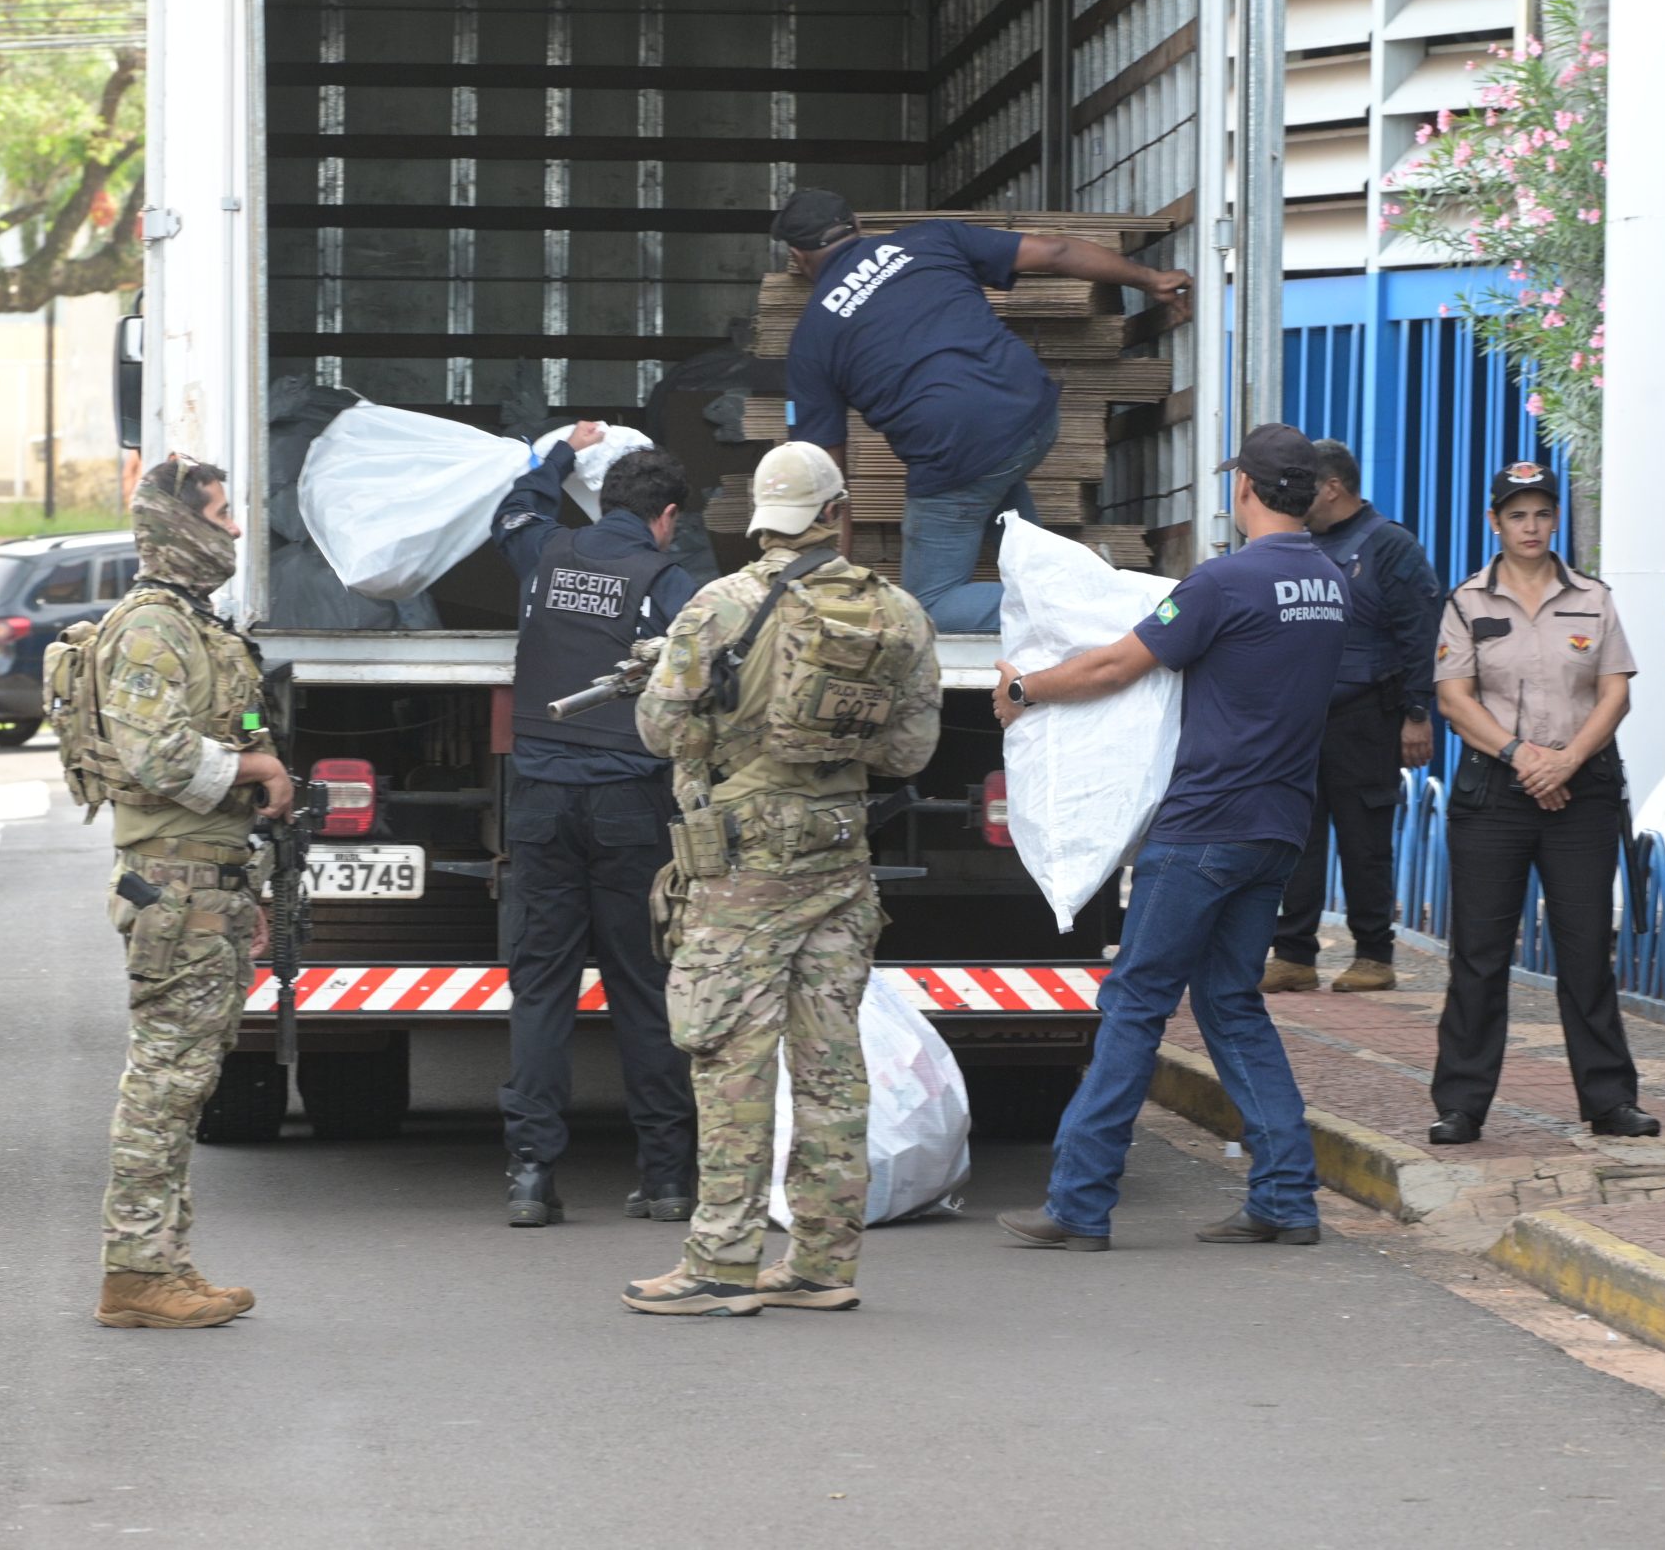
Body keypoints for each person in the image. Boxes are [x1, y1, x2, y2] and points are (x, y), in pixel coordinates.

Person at [993, 423, 1347, 1251]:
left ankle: (1079, 1202)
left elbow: (1118, 665)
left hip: (1205, 827)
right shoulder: (1331, 583)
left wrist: (1026, 686)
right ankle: (1287, 1197)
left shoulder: (1225, 581)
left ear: (1248, 490)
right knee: (1230, 1002)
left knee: (1134, 1002)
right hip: (1277, 826)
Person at [623, 441, 939, 1314]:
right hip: (840, 863)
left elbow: (659, 729)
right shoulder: (899, 614)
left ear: (761, 517)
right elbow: (912, 751)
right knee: (833, 1067)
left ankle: (721, 1259)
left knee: (732, 1063)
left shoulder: (716, 607)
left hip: (742, 875)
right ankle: (822, 1263)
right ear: (837, 513)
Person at [774, 188, 1193, 632]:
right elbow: (1056, 250)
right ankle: (1083, 583)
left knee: (931, 605)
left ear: (799, 258)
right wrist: (1151, 279)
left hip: (959, 455)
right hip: (1033, 416)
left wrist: (829, 583)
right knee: (1008, 516)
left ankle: (1102, 608)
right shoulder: (928, 240)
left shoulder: (812, 339)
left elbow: (825, 481)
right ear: (857, 225)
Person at [89, 457, 296, 1329]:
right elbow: (155, 754)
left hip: (205, 880)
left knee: (188, 1078)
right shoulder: (148, 630)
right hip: (173, 883)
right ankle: (135, 1270)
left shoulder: (195, 625)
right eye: (220, 514)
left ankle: (164, 1259)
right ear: (180, 526)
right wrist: (255, 765)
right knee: (165, 1082)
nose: (236, 531)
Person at [489, 426, 700, 1228]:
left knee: (541, 989)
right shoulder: (668, 578)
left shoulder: (546, 552)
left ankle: (532, 1176)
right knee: (642, 990)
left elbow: (511, 512)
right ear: (665, 515)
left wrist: (558, 458)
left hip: (540, 797)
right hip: (628, 804)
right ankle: (669, 1178)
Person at [1428, 460, 1657, 1146]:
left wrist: (1565, 759)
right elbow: (1454, 699)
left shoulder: (1593, 597)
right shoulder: (1467, 602)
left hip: (1579, 789)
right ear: (1494, 521)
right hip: (1495, 790)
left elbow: (1615, 691)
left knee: (1587, 949)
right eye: (1517, 514)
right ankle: (1462, 1103)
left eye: (1541, 513)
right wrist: (1522, 756)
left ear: (1557, 518)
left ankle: (1611, 1099)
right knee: (1479, 952)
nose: (1531, 526)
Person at [1260, 437, 1443, 994]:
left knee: (1365, 839)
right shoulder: (1297, 543)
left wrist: (1417, 714)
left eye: (1304, 485)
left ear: (1333, 488)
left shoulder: (1391, 546)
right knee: (1297, 837)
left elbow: (1422, 636)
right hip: (1301, 718)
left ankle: (1373, 954)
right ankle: (1294, 955)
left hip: (1367, 717)